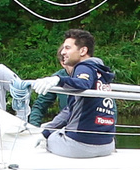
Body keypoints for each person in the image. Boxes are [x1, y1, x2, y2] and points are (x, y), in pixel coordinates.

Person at [33, 28, 118, 159]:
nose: (63, 52)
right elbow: (69, 110)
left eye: (67, 48)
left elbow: (82, 83)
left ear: (83, 51)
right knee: (51, 129)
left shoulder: (83, 67)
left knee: (49, 137)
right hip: (107, 145)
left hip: (81, 145)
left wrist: (58, 80)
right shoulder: (100, 73)